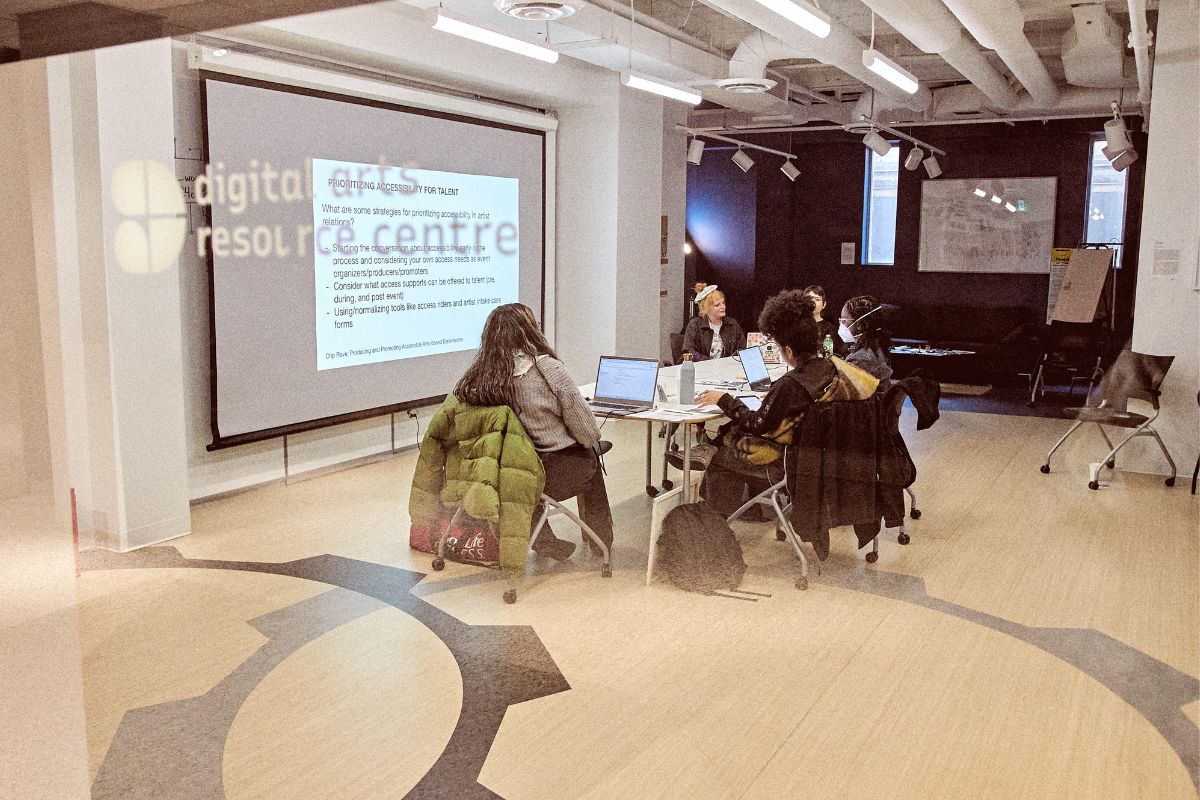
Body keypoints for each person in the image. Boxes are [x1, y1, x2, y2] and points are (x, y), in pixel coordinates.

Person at [454, 303, 614, 560]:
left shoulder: (478, 380)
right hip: (552, 472)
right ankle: (602, 542)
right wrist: (591, 441)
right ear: (530, 331)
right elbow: (586, 433)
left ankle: (543, 539)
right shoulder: (547, 369)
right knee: (592, 455)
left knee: (523, 469)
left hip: (503, 475)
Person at [695, 290, 840, 517]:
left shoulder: (789, 385)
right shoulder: (830, 370)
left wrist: (722, 399)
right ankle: (750, 507)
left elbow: (757, 424)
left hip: (783, 462)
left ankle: (718, 518)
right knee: (728, 434)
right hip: (815, 457)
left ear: (789, 351)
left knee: (720, 457)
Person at [839, 295, 893, 391]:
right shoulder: (876, 348)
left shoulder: (861, 359)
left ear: (859, 324)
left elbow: (842, 393)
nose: (841, 325)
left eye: (843, 321)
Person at [682, 283, 747, 361]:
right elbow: (689, 351)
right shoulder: (694, 325)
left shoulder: (732, 324)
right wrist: (710, 363)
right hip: (702, 369)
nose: (723, 307)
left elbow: (742, 348)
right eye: (717, 305)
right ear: (707, 308)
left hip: (727, 369)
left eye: (723, 303)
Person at [802, 284, 838, 351]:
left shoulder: (829, 328)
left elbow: (828, 352)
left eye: (817, 299)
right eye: (809, 299)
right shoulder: (797, 324)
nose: (812, 302)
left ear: (824, 305)